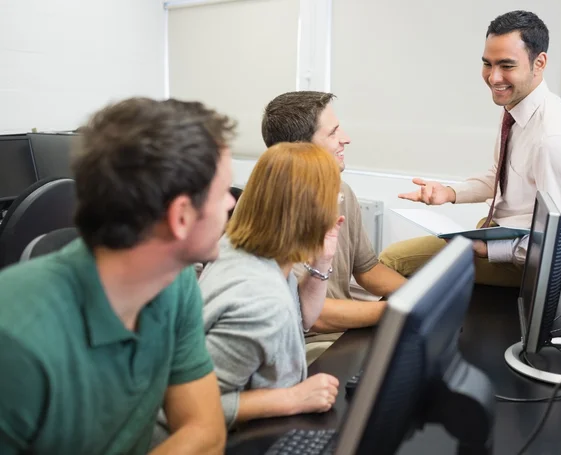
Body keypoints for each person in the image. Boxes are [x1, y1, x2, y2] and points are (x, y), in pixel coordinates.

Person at [0, 98, 235, 454]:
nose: (231, 204)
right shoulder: (15, 340)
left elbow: (206, 431)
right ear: (181, 217)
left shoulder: (176, 282)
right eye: (222, 195)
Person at [379, 10, 561, 287]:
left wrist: (490, 250)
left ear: (539, 63)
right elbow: (501, 176)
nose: (493, 78)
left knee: (391, 261)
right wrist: (450, 193)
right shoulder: (519, 110)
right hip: (498, 233)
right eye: (487, 64)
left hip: (524, 263)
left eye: (506, 65)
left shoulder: (553, 138)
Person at [199, 142, 341, 428]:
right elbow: (192, 405)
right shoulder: (260, 302)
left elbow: (300, 322)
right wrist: (293, 398)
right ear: (312, 211)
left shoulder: (252, 250)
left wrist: (322, 261)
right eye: (332, 199)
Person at [262, 91, 407, 362]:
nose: (346, 139)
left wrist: (419, 294)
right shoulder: (269, 213)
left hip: (345, 333)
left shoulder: (341, 191)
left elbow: (367, 270)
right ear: (300, 150)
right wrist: (399, 312)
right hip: (304, 347)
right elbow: (313, 315)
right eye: (333, 133)